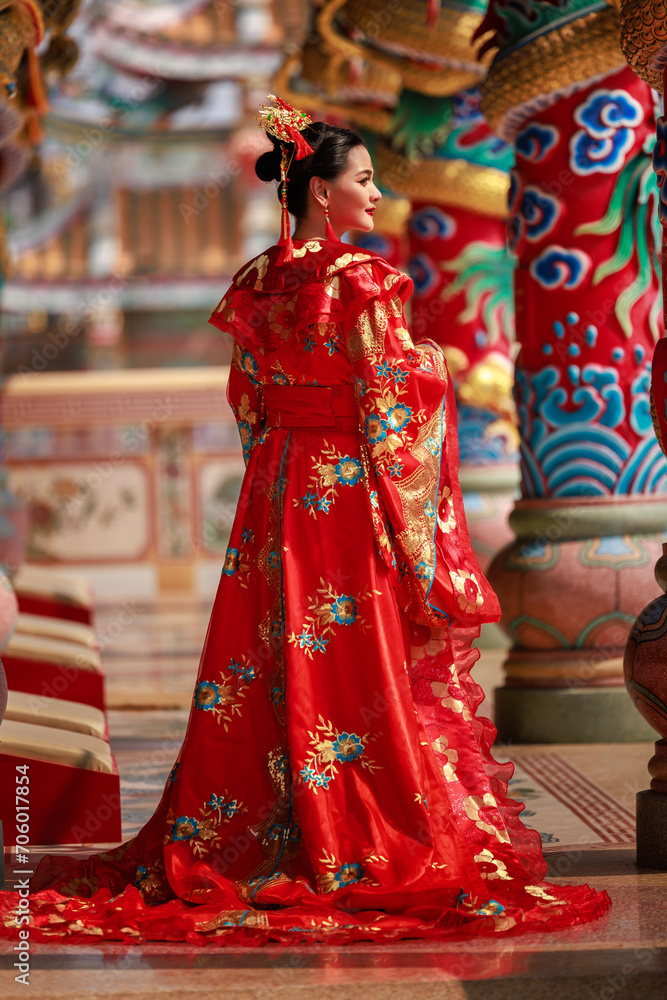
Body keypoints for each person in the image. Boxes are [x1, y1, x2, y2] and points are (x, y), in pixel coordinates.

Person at [0, 97, 610, 945]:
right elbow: (389, 402)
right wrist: (435, 374)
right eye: (362, 179)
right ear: (319, 192)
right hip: (345, 489)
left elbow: (247, 399)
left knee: (262, 659)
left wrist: (278, 460)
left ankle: (256, 830)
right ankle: (348, 830)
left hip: (275, 488)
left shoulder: (256, 281)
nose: (374, 190)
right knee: (349, 656)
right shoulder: (362, 281)